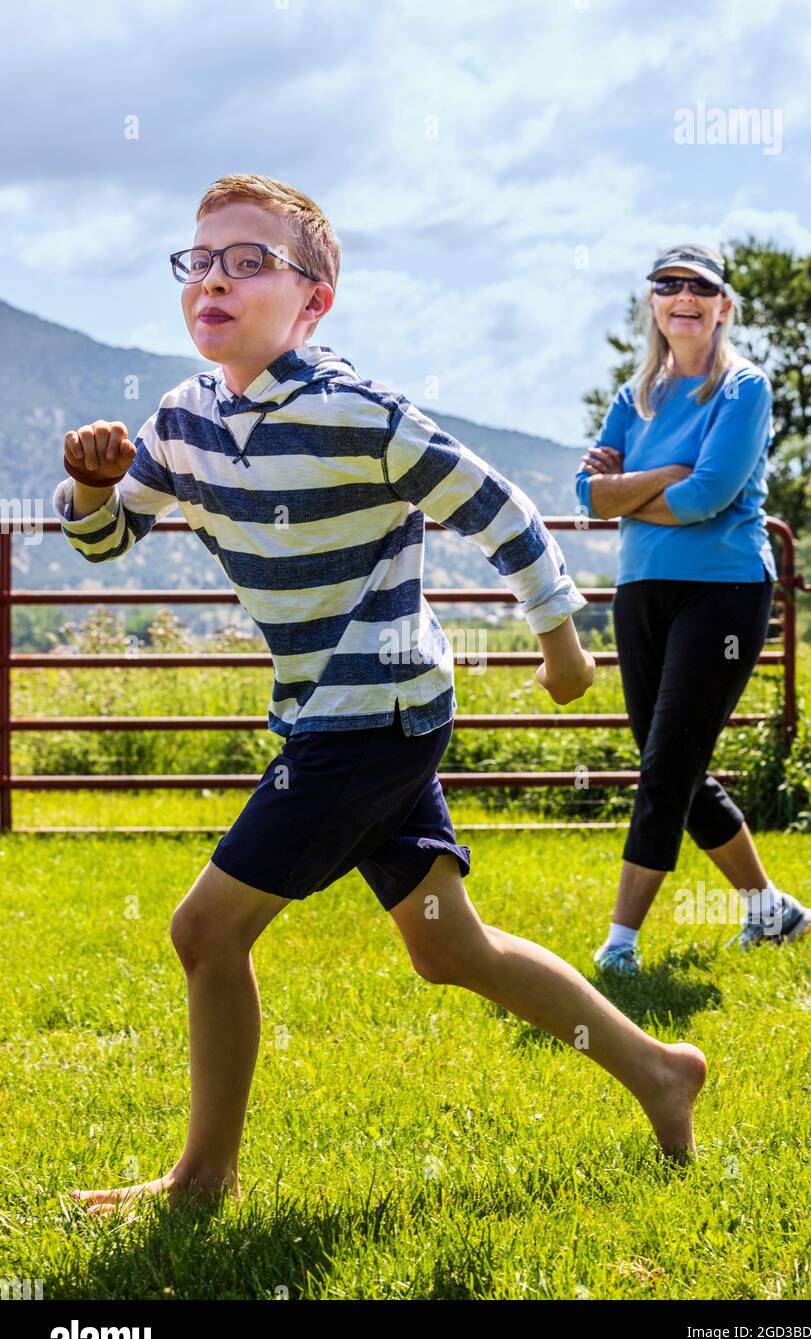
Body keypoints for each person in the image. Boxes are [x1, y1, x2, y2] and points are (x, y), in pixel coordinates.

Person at [55, 177, 708, 1215]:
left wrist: (560, 641)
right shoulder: (180, 420)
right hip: (343, 711)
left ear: (312, 302)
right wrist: (91, 483)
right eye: (201, 258)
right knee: (449, 945)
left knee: (204, 932)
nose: (215, 276)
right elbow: (106, 538)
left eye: (249, 259)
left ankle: (200, 1180)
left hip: (372, 716)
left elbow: (503, 512)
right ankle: (658, 1070)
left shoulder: (359, 416)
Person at [575, 243, 811, 978]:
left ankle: (620, 945)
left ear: (723, 305)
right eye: (667, 284)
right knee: (671, 760)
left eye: (699, 286)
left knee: (667, 764)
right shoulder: (633, 396)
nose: (683, 296)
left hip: (724, 591)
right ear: (652, 303)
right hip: (642, 589)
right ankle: (773, 910)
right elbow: (587, 497)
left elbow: (710, 493)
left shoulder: (744, 388)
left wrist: (632, 492)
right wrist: (662, 479)